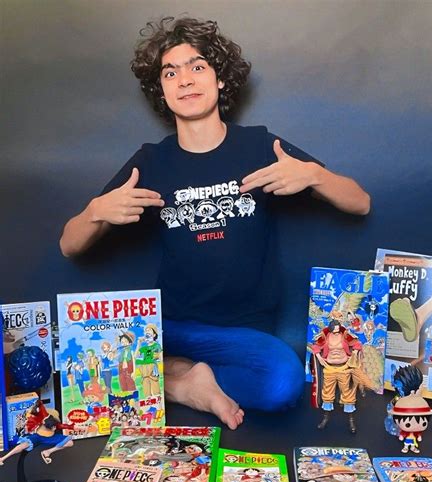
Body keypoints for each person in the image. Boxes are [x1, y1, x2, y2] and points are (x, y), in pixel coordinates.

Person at [59, 17, 370, 430]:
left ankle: (174, 378)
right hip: (173, 325)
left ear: (221, 79)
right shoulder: (152, 161)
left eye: (197, 66)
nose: (184, 80)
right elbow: (70, 245)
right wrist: (97, 211)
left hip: (247, 332)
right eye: (171, 72)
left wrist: (315, 176)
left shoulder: (260, 145)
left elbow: (360, 203)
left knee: (284, 384)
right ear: (162, 91)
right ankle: (186, 385)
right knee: (91, 367)